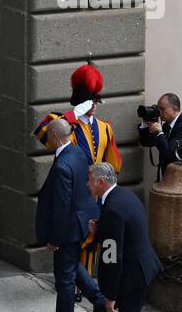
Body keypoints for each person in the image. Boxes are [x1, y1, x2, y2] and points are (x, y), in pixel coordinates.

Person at [34, 63, 122, 296]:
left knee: (92, 241)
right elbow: (43, 134)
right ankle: (69, 285)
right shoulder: (64, 122)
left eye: (95, 101)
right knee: (72, 240)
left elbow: (113, 163)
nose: (93, 106)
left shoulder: (105, 128)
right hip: (71, 192)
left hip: (95, 193)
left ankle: (86, 285)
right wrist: (73, 115)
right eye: (89, 101)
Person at [87, 162, 162, 312]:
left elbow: (111, 259)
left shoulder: (112, 209)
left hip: (131, 278)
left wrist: (109, 295)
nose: (88, 184)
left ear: (101, 182)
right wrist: (100, 232)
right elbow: (118, 237)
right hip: (140, 270)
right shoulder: (121, 197)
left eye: (90, 179)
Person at [34, 117, 106, 312]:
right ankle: (98, 299)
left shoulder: (62, 166)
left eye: (48, 135)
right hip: (83, 220)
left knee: (64, 275)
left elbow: (61, 206)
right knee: (72, 264)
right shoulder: (78, 152)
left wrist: (54, 239)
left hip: (69, 226)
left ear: (55, 137)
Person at [136, 92, 182, 181]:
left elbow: (171, 156)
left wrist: (159, 133)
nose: (159, 113)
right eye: (158, 109)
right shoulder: (166, 125)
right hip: (166, 178)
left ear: (175, 109)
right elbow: (145, 142)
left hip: (179, 182)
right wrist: (146, 124)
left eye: (162, 109)